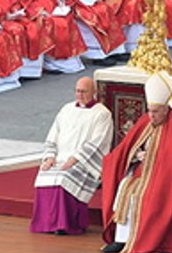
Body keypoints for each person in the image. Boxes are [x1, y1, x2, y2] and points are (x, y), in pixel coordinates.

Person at [100, 72, 172, 253]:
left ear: (165, 109)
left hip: (168, 177)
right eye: (149, 110)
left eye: (155, 112)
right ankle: (122, 239)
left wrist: (154, 159)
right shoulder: (146, 121)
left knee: (144, 193)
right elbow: (127, 148)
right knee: (125, 186)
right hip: (142, 171)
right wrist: (133, 156)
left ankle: (146, 240)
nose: (151, 116)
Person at [31, 76, 113, 236]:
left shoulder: (102, 114)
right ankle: (46, 224)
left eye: (84, 91)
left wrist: (74, 160)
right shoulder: (66, 109)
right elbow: (53, 135)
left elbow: (98, 143)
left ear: (94, 92)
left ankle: (66, 225)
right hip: (60, 158)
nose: (80, 95)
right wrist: (50, 157)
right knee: (44, 174)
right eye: (77, 91)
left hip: (83, 162)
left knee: (64, 178)